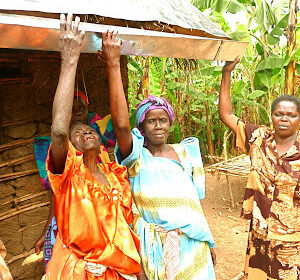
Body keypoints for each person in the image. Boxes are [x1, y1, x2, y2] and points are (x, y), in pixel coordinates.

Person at [99, 28, 216, 280]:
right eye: (151, 121)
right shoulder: (136, 156)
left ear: (170, 123)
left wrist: (208, 239)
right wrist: (113, 64)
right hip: (155, 246)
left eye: (163, 120)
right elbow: (120, 125)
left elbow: (194, 201)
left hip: (194, 243)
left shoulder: (186, 153)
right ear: (141, 126)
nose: (159, 125)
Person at [219, 59, 300, 280]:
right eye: (279, 114)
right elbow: (227, 115)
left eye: (291, 115)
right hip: (261, 238)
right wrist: (226, 74)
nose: (284, 118)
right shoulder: (258, 139)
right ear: (272, 116)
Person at [44, 14, 140, 279]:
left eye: (88, 128)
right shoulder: (67, 175)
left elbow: (125, 230)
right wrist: (70, 58)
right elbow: (59, 131)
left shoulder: (115, 175)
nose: (85, 131)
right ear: (70, 147)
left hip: (121, 272)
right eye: (78, 132)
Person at [34, 90, 116, 268]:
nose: (77, 112)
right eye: (71, 109)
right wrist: (47, 229)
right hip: (74, 233)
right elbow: (57, 194)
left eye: (82, 108)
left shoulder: (109, 167)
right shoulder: (63, 160)